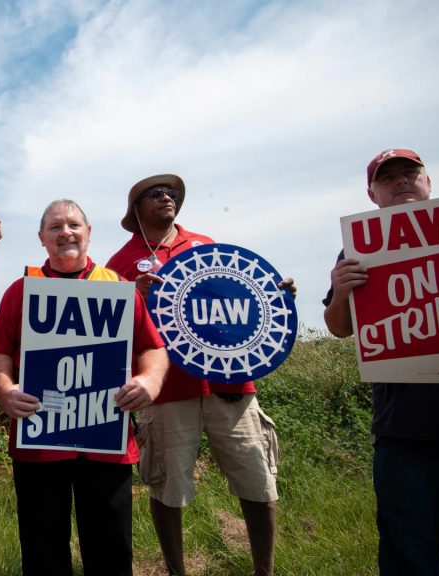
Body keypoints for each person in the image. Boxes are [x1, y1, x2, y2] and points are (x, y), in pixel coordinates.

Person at [106, 174, 283, 576]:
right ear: (136, 208)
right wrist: (134, 297)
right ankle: (176, 571)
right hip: (166, 391)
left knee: (257, 480)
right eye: (156, 193)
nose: (166, 197)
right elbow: (113, 331)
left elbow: (237, 303)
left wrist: (273, 294)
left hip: (229, 382)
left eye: (171, 193)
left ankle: (265, 571)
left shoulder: (206, 245)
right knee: (168, 487)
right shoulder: (120, 264)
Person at [0, 199, 170, 576]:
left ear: (89, 233)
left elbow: (152, 347)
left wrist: (150, 380)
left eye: (73, 225)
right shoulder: (22, 290)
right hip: (39, 443)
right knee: (43, 550)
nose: (65, 232)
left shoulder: (119, 288)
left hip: (107, 443)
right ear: (41, 238)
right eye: (55, 227)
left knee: (110, 550)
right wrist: (5, 389)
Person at [323, 148, 439, 575]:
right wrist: (341, 292)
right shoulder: (357, 250)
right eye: (387, 177)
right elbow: (339, 328)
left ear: (428, 182)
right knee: (410, 555)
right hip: (406, 426)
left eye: (410, 173)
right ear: (372, 194)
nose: (400, 182)